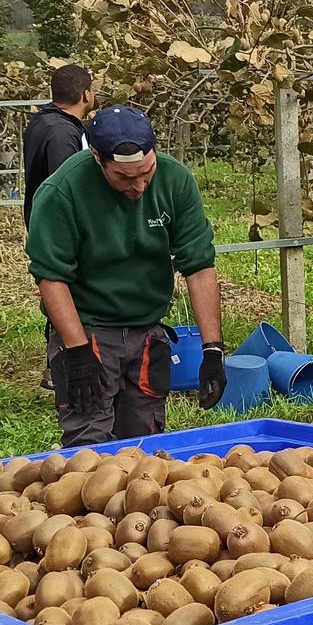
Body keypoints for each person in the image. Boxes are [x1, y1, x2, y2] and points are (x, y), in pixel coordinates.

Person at [25, 103, 228, 446]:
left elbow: (198, 266)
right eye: (124, 177)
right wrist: (77, 352)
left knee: (144, 442)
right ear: (97, 159)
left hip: (146, 330)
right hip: (87, 329)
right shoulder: (62, 192)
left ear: (155, 153)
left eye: (146, 172)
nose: (139, 186)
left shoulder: (176, 181)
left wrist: (213, 350)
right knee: (89, 442)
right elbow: (50, 277)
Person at [22, 63, 93, 223]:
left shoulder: (41, 120)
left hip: (41, 219)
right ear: (86, 95)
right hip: (57, 227)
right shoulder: (63, 133)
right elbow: (66, 188)